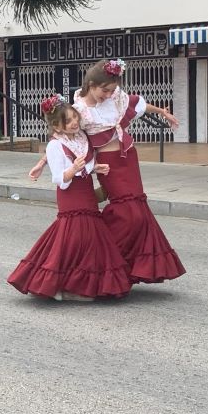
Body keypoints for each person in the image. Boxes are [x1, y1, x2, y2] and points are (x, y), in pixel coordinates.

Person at [72, 59, 186, 284]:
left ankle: (126, 269)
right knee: (127, 214)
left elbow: (137, 103)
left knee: (139, 213)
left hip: (128, 158)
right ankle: (101, 256)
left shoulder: (116, 98)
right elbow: (66, 138)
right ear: (91, 84)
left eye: (112, 90)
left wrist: (162, 112)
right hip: (108, 163)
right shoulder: (79, 110)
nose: (108, 95)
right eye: (104, 90)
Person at [8, 95, 131, 301]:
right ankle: (68, 287)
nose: (75, 123)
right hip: (70, 196)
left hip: (85, 193)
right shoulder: (55, 146)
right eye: (69, 121)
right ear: (57, 125)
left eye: (75, 118)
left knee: (85, 240)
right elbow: (59, 178)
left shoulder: (81, 137)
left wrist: (94, 168)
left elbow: (84, 165)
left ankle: (75, 285)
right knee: (76, 240)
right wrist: (73, 169)